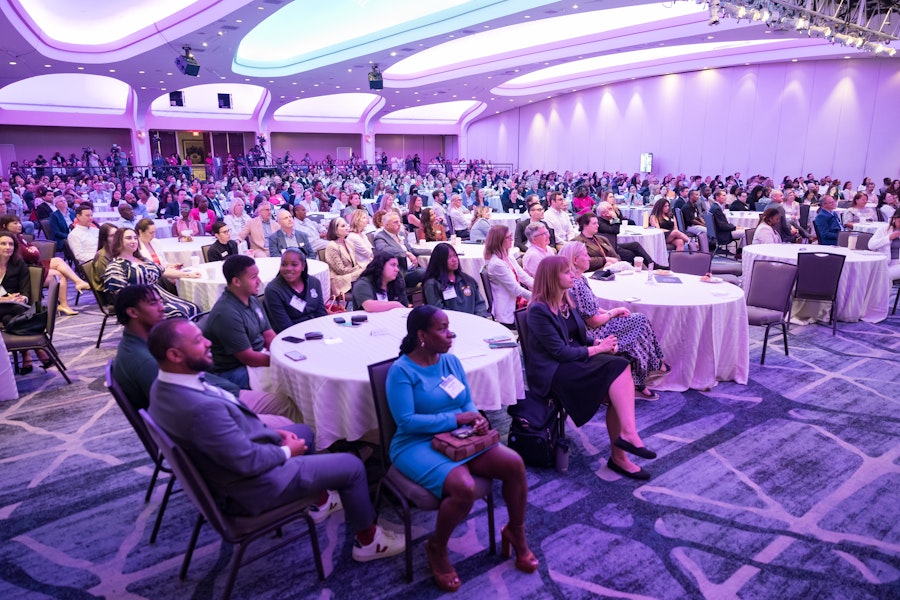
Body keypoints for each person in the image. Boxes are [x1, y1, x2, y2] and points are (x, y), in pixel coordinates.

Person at [146, 318, 405, 559]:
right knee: (352, 467)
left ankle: (322, 499)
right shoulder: (201, 409)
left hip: (232, 462)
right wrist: (287, 452)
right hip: (252, 485)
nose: (208, 342)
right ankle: (369, 542)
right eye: (198, 341)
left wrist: (271, 434)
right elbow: (247, 462)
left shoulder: (163, 387)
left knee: (302, 431)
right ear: (174, 355)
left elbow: (228, 435)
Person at [386, 306, 536, 591]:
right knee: (464, 487)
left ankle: (515, 531)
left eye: (448, 326)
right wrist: (457, 418)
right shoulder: (402, 371)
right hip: (414, 443)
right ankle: (437, 547)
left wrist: (476, 417)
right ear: (421, 335)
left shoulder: (451, 362)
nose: (450, 333)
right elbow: (405, 422)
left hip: (459, 435)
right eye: (441, 329)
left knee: (514, 464)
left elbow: (465, 400)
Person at [525, 256, 656, 480]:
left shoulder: (567, 300)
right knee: (616, 375)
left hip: (573, 362)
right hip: (554, 372)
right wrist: (600, 349)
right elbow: (560, 353)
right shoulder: (538, 310)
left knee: (620, 366)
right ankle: (623, 449)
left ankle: (624, 443)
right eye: (567, 272)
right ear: (551, 278)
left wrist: (597, 344)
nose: (573, 275)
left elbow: (581, 336)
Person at [113, 284, 300, 426]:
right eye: (153, 303)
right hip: (217, 410)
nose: (162, 308)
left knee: (282, 399)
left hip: (217, 395)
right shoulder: (145, 362)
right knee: (288, 408)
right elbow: (181, 408)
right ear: (132, 312)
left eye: (161, 301)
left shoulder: (140, 344)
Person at [558, 242, 668, 400]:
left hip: (596, 324)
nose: (590, 258)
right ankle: (652, 366)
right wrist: (613, 312)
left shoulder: (580, 278)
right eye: (586, 255)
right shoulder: (575, 284)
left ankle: (641, 378)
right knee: (640, 321)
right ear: (575, 260)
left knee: (635, 328)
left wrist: (612, 313)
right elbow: (594, 321)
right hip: (593, 332)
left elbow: (593, 307)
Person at [203, 255, 278, 390]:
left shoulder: (252, 299)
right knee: (286, 382)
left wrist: (283, 353)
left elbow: (269, 335)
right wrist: (281, 362)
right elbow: (247, 357)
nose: (259, 281)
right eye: (253, 277)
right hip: (235, 370)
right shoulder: (226, 313)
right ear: (237, 282)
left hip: (259, 357)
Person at [1, 215, 91, 315]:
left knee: (57, 260)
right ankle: (64, 304)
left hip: (30, 265)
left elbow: (34, 251)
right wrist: (32, 251)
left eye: (19, 222)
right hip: (28, 269)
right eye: (15, 223)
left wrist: (32, 250)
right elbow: (31, 254)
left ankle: (78, 282)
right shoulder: (10, 239)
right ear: (5, 225)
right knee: (59, 275)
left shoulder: (19, 237)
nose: (19, 225)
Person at [102, 228, 200, 319]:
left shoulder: (142, 259)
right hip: (140, 303)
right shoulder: (116, 266)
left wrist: (188, 275)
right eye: (128, 238)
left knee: (192, 307)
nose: (133, 241)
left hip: (160, 297)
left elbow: (163, 271)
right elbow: (120, 295)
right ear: (119, 241)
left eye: (135, 238)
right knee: (178, 313)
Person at [264, 249, 327, 333]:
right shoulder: (273, 290)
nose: (288, 268)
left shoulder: (314, 282)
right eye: (284, 264)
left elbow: (321, 314)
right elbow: (285, 327)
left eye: (294, 264)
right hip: (291, 337)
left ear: (303, 266)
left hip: (318, 331)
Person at [421, 243, 489, 317]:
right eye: (449, 257)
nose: (454, 260)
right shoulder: (432, 285)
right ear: (440, 260)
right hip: (451, 325)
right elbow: (439, 312)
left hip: (475, 323)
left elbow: (480, 303)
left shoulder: (467, 280)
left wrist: (479, 319)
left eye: (455, 255)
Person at [483, 225, 532, 326]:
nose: (512, 239)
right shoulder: (496, 263)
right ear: (498, 240)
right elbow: (516, 290)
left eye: (511, 236)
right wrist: (539, 297)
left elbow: (523, 277)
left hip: (517, 302)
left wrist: (543, 288)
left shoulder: (507, 256)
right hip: (509, 309)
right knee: (545, 315)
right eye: (508, 237)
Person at [373, 211, 430, 287]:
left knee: (434, 269)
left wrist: (431, 251)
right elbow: (384, 250)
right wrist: (406, 253)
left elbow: (411, 250)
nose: (399, 224)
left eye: (399, 221)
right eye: (396, 222)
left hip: (414, 267)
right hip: (401, 273)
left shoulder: (401, 234)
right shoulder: (380, 237)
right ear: (387, 225)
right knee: (425, 273)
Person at [595, 202, 660, 267]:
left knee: (635, 245)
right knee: (632, 254)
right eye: (610, 209)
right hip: (609, 249)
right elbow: (615, 230)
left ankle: (652, 264)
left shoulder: (605, 220)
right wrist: (615, 218)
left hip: (613, 245)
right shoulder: (600, 223)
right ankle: (648, 267)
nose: (613, 211)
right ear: (603, 213)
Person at [323, 216, 364, 298]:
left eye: (346, 225)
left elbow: (354, 263)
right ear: (335, 230)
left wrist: (360, 269)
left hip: (351, 277)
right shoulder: (332, 247)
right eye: (343, 226)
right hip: (340, 280)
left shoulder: (348, 243)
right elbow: (341, 270)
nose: (347, 228)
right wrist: (359, 270)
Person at [91, 223, 118, 290]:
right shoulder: (102, 256)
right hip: (109, 290)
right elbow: (108, 279)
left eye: (117, 235)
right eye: (112, 236)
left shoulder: (119, 250)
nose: (116, 238)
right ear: (105, 238)